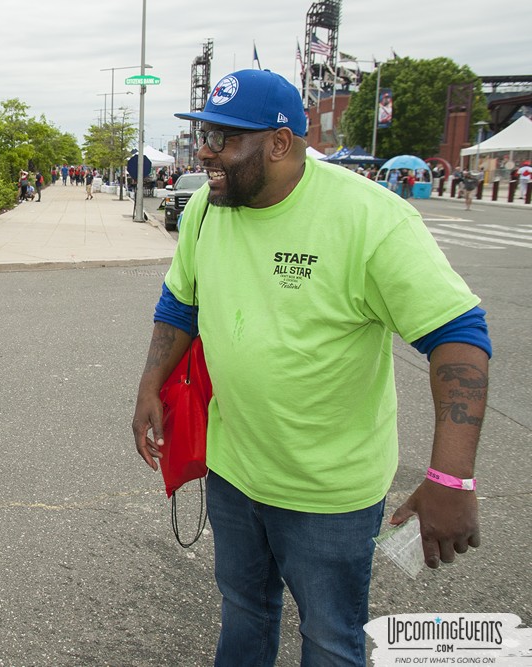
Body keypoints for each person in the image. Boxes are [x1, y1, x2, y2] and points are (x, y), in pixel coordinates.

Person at [131, 70, 490, 667]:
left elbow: (459, 337)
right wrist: (149, 386)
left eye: (222, 138)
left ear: (278, 143)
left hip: (329, 495)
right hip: (234, 471)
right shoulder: (205, 208)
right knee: (244, 608)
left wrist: (452, 478)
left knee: (329, 638)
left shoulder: (371, 219)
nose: (204, 152)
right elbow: (180, 302)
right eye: (204, 135)